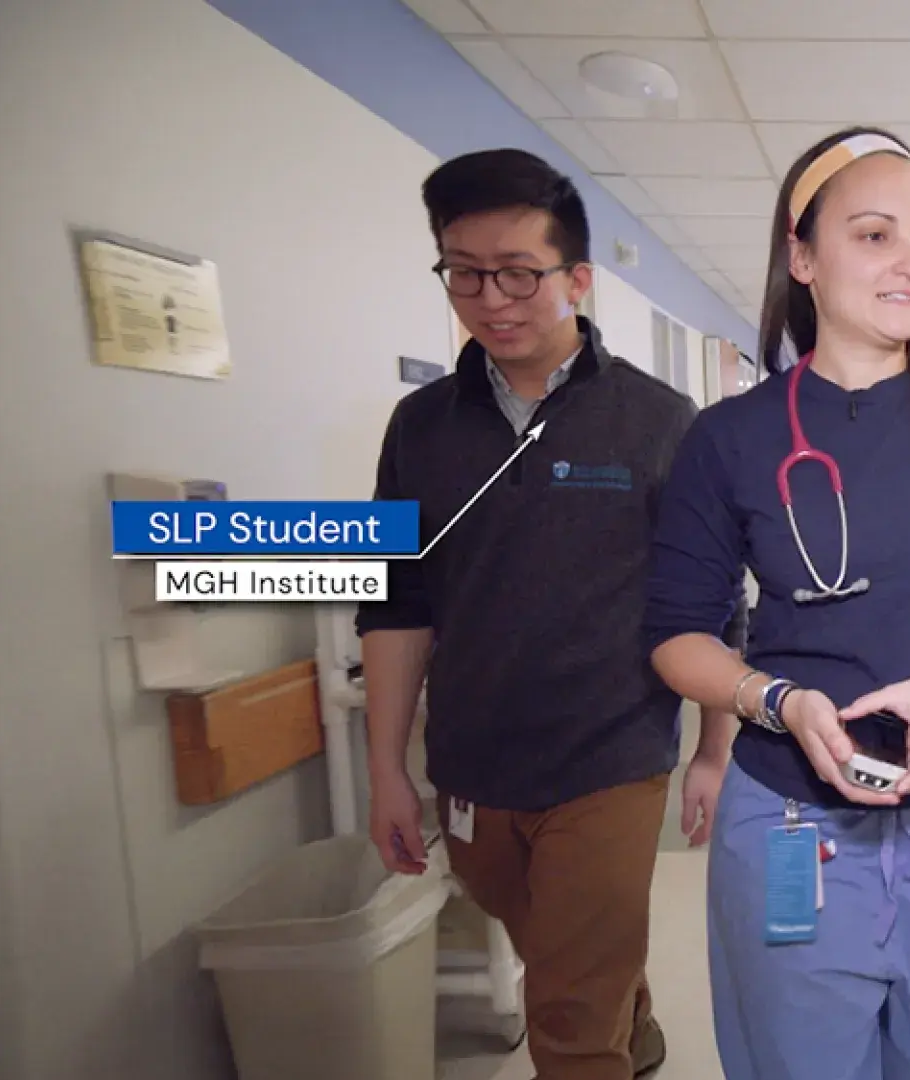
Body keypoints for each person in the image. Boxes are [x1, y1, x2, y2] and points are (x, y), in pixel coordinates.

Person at [642, 126, 910, 1080]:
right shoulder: (729, 440)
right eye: (876, 235)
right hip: (791, 816)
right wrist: (782, 703)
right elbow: (677, 636)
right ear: (801, 256)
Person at [357, 147, 743, 1080]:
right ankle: (631, 1012)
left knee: (566, 1018)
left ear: (577, 279)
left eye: (519, 274)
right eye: (464, 273)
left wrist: (712, 752)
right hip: (473, 764)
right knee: (553, 940)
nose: (491, 299)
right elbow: (395, 605)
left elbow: (714, 601)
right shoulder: (420, 429)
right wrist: (387, 773)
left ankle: (606, 1035)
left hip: (608, 756)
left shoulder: (659, 421)